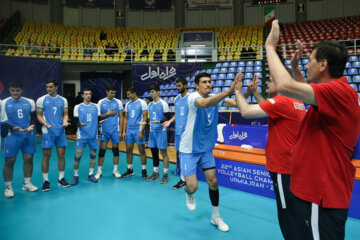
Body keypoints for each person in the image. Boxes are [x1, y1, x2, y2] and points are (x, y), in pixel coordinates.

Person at [265, 20, 360, 239]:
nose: (307, 65)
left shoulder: (338, 91)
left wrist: (271, 48)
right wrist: (296, 67)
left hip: (321, 193)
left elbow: (286, 86)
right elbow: (305, 92)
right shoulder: (335, 93)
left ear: (323, 65)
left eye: (310, 61)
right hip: (313, 190)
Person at [234, 71, 306, 239]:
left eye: (271, 80)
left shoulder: (281, 102)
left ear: (281, 83)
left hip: (283, 167)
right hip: (294, 165)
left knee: (286, 213)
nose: (268, 83)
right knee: (295, 210)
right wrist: (256, 94)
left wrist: (238, 90)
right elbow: (271, 108)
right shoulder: (296, 101)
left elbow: (245, 112)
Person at [179, 72, 238, 232]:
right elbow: (205, 103)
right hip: (189, 149)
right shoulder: (192, 98)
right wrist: (228, 90)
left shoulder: (215, 97)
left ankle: (216, 216)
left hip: (205, 149)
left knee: (213, 181)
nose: (208, 84)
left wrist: (243, 92)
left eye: (210, 81)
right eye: (204, 82)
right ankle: (188, 192)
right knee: (193, 187)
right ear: (197, 85)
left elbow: (235, 103)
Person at [1, 81, 38, 198]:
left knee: (29, 158)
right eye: (13, 90)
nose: (15, 93)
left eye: (17, 90)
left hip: (27, 135)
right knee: (10, 161)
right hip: (11, 135)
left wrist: (32, 125)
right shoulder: (3, 103)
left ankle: (27, 183)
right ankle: (8, 187)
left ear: (22, 90)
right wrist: (13, 127)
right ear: (9, 90)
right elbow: (2, 121)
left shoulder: (30, 102)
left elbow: (33, 118)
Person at [36, 79, 70, 191]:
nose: (48, 89)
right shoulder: (41, 100)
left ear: (56, 87)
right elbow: (39, 115)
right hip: (47, 132)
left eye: (51, 87)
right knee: (46, 155)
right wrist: (45, 123)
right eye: (47, 87)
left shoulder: (63, 100)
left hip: (60, 132)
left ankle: (61, 179)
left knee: (61, 154)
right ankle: (46, 181)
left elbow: (65, 114)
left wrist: (65, 121)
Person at [71, 88, 103, 186]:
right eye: (86, 94)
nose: (88, 95)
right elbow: (75, 121)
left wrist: (100, 125)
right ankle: (76, 175)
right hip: (81, 135)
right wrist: (79, 124)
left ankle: (91, 174)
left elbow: (98, 119)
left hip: (93, 136)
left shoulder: (96, 106)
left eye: (89, 94)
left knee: (93, 155)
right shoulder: (77, 107)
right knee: (78, 156)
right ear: (82, 95)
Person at [162, 77, 189, 190]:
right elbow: (176, 114)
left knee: (185, 156)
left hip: (187, 132)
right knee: (180, 155)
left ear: (185, 85)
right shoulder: (177, 99)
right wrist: (170, 121)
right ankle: (183, 178)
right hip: (178, 131)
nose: (177, 88)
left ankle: (184, 180)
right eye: (177, 86)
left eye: (179, 86)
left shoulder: (190, 98)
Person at [95, 85, 123, 179]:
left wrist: (122, 131)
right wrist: (108, 114)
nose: (113, 95)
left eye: (114, 93)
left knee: (116, 150)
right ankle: (99, 171)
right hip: (104, 130)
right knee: (102, 151)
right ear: (106, 92)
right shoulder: (101, 102)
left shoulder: (118, 102)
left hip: (115, 130)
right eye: (111, 93)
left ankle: (115, 170)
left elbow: (122, 117)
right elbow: (98, 117)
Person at [146, 84, 171, 184]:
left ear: (158, 92)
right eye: (150, 92)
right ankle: (156, 173)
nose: (151, 93)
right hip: (152, 132)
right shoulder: (149, 105)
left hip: (161, 132)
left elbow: (167, 118)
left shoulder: (164, 104)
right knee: (154, 153)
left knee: (164, 153)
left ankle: (165, 174)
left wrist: (159, 121)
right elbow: (150, 117)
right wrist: (148, 121)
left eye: (153, 91)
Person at [121, 88, 148, 179]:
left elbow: (145, 118)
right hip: (129, 130)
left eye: (129, 94)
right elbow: (125, 118)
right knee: (128, 150)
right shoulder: (128, 104)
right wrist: (124, 131)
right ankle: (129, 170)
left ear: (134, 93)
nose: (128, 96)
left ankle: (144, 170)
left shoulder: (142, 103)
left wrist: (141, 131)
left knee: (142, 151)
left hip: (138, 129)